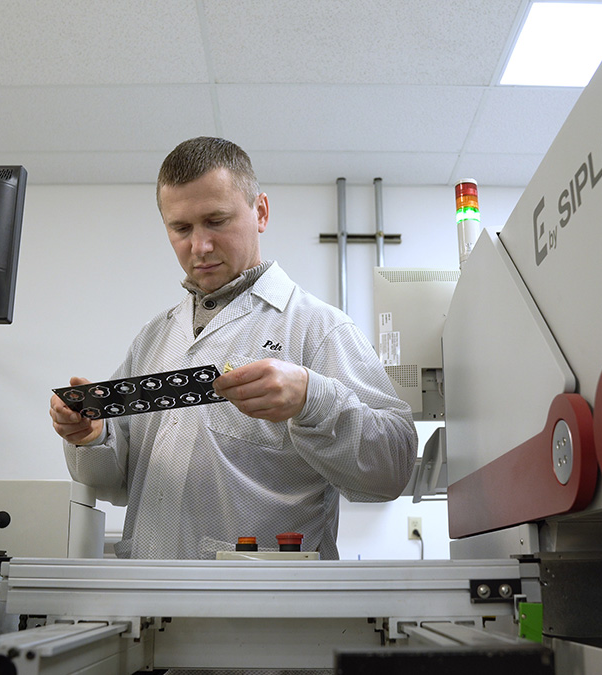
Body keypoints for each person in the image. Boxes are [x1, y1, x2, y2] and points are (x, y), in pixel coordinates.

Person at [49, 136, 417, 560]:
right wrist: (92, 438)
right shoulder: (153, 338)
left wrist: (311, 399)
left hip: (261, 605)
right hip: (148, 598)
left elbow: (393, 470)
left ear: (260, 212)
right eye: (181, 228)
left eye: (217, 221)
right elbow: (112, 482)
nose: (199, 246)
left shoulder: (320, 328)